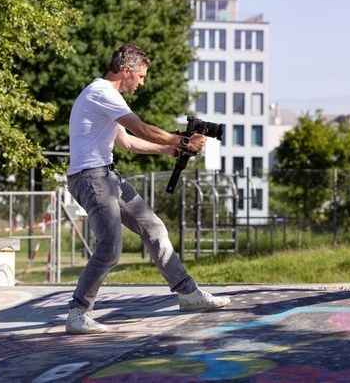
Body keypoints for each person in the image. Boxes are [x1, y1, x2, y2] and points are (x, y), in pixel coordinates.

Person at [64, 43, 230, 335]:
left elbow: (127, 142)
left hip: (106, 176)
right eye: (140, 77)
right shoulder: (101, 93)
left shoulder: (105, 98)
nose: (141, 83)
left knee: (154, 227)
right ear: (126, 71)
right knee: (110, 248)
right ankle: (78, 312)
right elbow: (140, 128)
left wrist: (167, 149)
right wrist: (181, 142)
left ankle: (188, 293)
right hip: (91, 178)